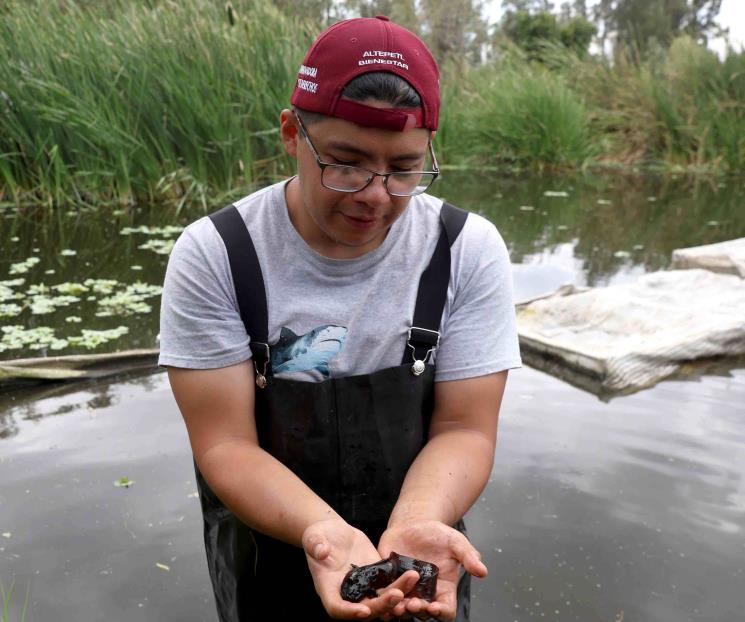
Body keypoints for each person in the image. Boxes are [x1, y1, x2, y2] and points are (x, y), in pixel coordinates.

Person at [159, 14, 521, 622]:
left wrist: (415, 523)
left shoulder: (466, 248)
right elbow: (224, 443)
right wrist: (323, 533)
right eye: (346, 163)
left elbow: (466, 428)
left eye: (405, 168)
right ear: (291, 134)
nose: (376, 195)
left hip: (419, 554)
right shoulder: (216, 253)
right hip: (264, 556)